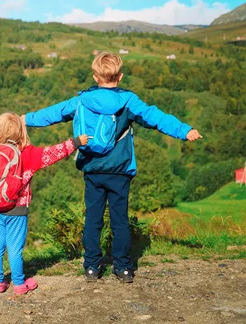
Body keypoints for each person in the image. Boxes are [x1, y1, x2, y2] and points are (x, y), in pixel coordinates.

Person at [23, 52, 202, 283]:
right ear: (120, 76)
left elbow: (53, 114)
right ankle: (123, 268)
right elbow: (155, 117)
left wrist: (24, 118)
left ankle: (91, 267)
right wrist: (183, 130)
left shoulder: (81, 100)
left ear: (95, 76)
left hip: (92, 169)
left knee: (93, 220)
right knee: (119, 220)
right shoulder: (128, 101)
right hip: (119, 171)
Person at [0, 112, 88, 294]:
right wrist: (76, 142)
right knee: (15, 248)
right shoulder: (28, 154)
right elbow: (54, 153)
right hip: (17, 209)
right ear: (21, 132)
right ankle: (19, 284)